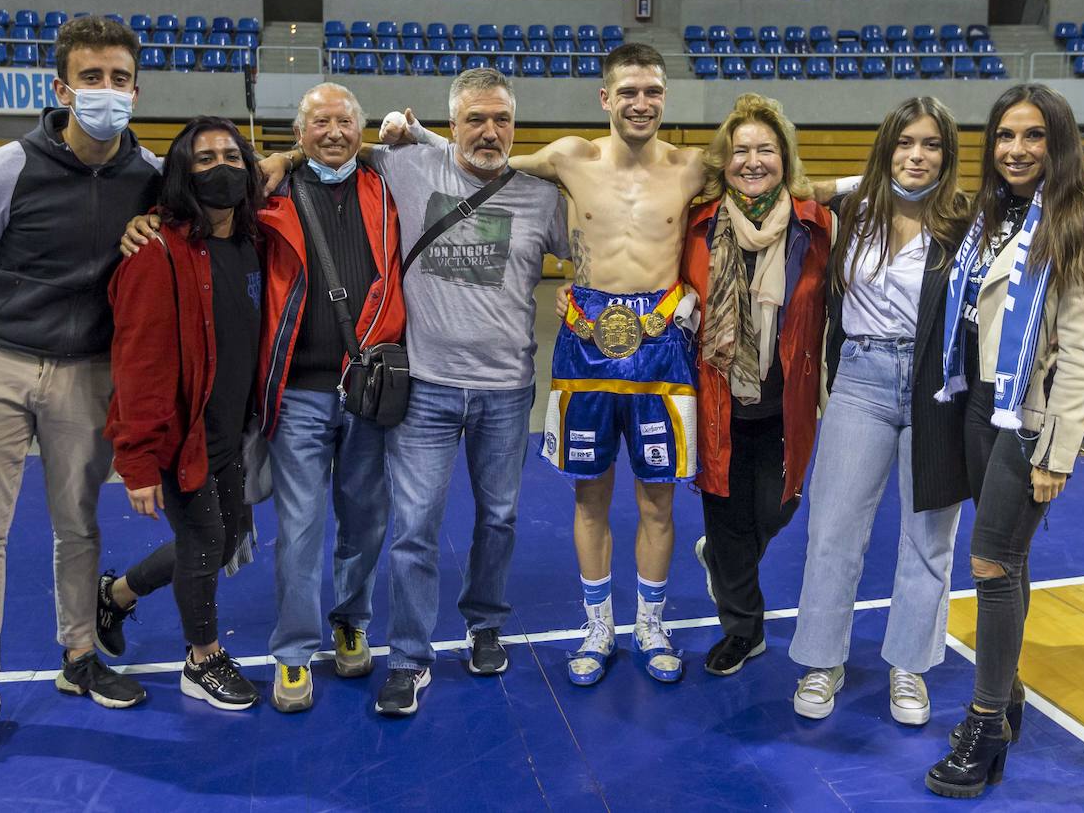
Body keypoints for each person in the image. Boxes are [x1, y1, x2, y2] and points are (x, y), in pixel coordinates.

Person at [274, 68, 568, 715]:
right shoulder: (407, 166)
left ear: (515, 128)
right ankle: (408, 658)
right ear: (453, 124)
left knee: (499, 518)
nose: (488, 133)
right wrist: (281, 154)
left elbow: (597, 252)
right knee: (413, 529)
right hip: (425, 390)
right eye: (474, 121)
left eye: (501, 122)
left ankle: (484, 623)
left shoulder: (541, 199)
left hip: (507, 391)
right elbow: (334, 143)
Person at [124, 83, 404, 714]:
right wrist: (140, 222)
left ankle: (350, 620)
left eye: (344, 121)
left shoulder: (388, 188)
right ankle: (296, 653)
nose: (334, 132)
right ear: (297, 135)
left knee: (363, 521)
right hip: (300, 392)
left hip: (370, 389)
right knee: (301, 529)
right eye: (320, 122)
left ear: (359, 131)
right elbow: (189, 195)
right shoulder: (268, 194)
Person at [0, 15, 158, 774]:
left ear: (135, 87)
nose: (105, 91)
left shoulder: (147, 177)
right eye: (90, 78)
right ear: (60, 88)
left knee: (79, 526)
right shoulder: (6, 167)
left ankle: (79, 655)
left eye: (119, 78)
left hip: (86, 374)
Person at [494, 44, 708, 686]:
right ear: (605, 98)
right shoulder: (569, 157)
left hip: (662, 342)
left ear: (664, 97)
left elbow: (775, 177)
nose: (641, 103)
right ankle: (597, 626)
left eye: (652, 91)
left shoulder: (695, 165)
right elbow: (482, 164)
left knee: (658, 502)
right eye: (629, 91)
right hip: (584, 341)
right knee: (590, 499)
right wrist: (401, 138)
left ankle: (650, 623)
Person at [925, 84, 1084, 798]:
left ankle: (985, 726)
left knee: (992, 563)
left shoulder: (1081, 222)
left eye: (1034, 136)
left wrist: (1054, 453)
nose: (1017, 149)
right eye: (1006, 135)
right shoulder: (989, 215)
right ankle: (1007, 696)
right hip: (979, 404)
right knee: (1008, 555)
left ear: (1058, 143)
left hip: (1028, 419)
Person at [786, 97, 973, 725]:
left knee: (927, 540)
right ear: (887, 147)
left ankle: (910, 669)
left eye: (931, 146)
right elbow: (789, 184)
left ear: (947, 156)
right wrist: (857, 180)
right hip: (861, 379)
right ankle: (822, 660)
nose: (917, 157)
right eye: (905, 143)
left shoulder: (966, 221)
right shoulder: (854, 210)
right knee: (833, 529)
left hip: (937, 388)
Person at [97, 117, 271, 711]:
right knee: (203, 544)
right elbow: (137, 364)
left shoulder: (251, 238)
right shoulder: (156, 253)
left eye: (231, 155)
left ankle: (117, 594)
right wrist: (137, 459)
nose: (220, 168)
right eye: (203, 159)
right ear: (180, 174)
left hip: (231, 428)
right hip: (182, 434)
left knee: (224, 542)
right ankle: (202, 660)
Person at [680, 93, 834, 678]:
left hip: (785, 402)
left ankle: (723, 560)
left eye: (765, 149)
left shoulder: (816, 228)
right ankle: (743, 629)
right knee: (726, 515)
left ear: (784, 157)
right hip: (715, 400)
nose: (752, 160)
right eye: (741, 149)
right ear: (725, 159)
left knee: (776, 506)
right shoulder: (696, 226)